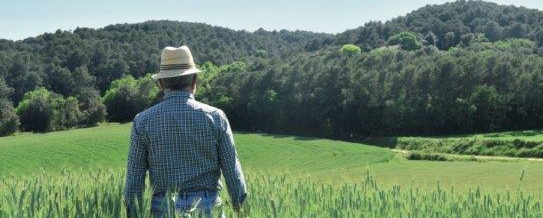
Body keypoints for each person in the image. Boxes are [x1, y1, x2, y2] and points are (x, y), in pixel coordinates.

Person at [124, 45, 247, 217]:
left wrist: (133, 213)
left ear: (160, 83)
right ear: (194, 81)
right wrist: (241, 210)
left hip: (163, 209)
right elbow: (233, 174)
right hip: (208, 209)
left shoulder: (142, 121)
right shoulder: (216, 117)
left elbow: (134, 181)